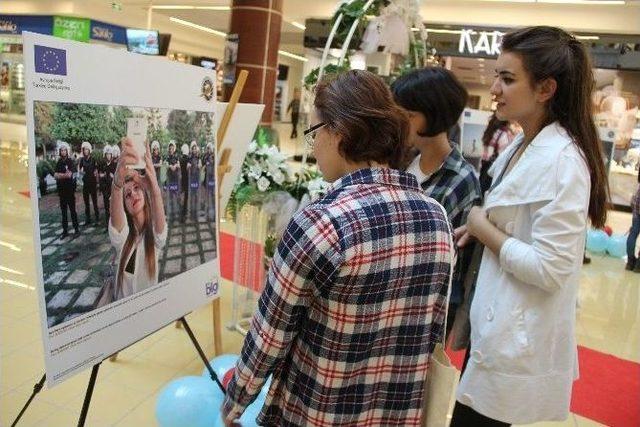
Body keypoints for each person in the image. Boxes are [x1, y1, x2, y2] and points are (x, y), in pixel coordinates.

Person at [222, 70, 454, 427]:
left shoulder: (321, 224)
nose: (311, 145)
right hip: (396, 414)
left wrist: (234, 404)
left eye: (314, 133)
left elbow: (269, 337)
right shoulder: (436, 216)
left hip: (318, 411)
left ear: (340, 132)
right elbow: (431, 330)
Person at [451, 26, 610, 426]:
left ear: (545, 89)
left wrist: (483, 227)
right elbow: (513, 219)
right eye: (496, 77)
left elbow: (550, 268)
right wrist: (481, 228)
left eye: (507, 79)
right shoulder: (520, 145)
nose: (494, 89)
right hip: (494, 325)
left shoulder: (562, 161)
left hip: (514, 333)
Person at [391, 67, 482, 336]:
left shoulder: (461, 178)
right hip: (388, 291)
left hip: (423, 308)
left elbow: (455, 258)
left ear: (434, 114)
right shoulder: (403, 159)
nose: (400, 122)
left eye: (408, 115)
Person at [103, 137, 167, 303]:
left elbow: (161, 232)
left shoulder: (153, 236)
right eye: (128, 195)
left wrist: (154, 188)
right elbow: (117, 228)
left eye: (137, 188)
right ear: (125, 206)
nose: (133, 195)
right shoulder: (124, 239)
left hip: (147, 313)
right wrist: (117, 185)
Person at [479, 114, 518, 194]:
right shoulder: (505, 134)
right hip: (495, 170)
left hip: (485, 166)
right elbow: (505, 157)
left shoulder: (491, 131)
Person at [54, 140, 79, 239]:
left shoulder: (70, 162)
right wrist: (63, 175)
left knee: (73, 211)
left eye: (65, 150)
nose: (63, 152)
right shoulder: (59, 162)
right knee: (63, 212)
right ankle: (65, 231)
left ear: (67, 151)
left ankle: (76, 229)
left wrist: (61, 175)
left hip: (69, 191)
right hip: (61, 192)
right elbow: (55, 175)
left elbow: (69, 175)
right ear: (59, 152)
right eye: (62, 150)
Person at [79, 141, 99, 225]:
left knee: (94, 202)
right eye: (84, 149)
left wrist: (97, 180)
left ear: (89, 150)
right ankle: (88, 219)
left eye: (87, 149)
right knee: (86, 202)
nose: (85, 151)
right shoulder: (82, 160)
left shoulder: (93, 159)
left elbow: (96, 170)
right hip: (85, 183)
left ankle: (97, 218)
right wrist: (81, 173)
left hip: (93, 183)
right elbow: (80, 170)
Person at [98, 145, 116, 228]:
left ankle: (114, 223)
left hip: (112, 189)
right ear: (105, 155)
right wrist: (102, 175)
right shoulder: (102, 164)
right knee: (106, 207)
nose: (108, 156)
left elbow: (118, 177)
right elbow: (100, 174)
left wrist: (114, 176)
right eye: (107, 154)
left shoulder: (114, 165)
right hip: (105, 188)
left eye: (110, 154)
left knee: (113, 207)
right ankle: (108, 224)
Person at [626, 167, 640, 272]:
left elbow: (633, 200)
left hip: (637, 208)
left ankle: (630, 262)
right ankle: (638, 265)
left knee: (633, 234)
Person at [165, 140, 181, 220]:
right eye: (170, 148)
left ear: (174, 149)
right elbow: (167, 165)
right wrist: (171, 166)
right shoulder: (168, 157)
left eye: (172, 148)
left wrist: (175, 166)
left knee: (176, 195)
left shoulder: (176, 156)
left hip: (176, 179)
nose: (171, 149)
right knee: (171, 196)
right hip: (170, 179)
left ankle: (176, 212)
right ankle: (171, 213)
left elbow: (179, 164)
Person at [187, 141, 201, 221]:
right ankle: (192, 214)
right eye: (193, 149)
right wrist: (188, 166)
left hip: (197, 178)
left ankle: (196, 214)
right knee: (192, 196)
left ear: (197, 150)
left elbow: (200, 165)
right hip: (191, 179)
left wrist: (199, 165)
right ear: (191, 150)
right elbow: (187, 166)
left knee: (196, 196)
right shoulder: (189, 158)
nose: (194, 150)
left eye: (195, 149)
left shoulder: (198, 157)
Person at [202, 142, 216, 221]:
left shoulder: (214, 157)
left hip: (212, 179)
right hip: (206, 178)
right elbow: (203, 167)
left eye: (209, 148)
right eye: (207, 148)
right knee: (207, 196)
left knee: (212, 195)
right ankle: (207, 214)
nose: (208, 150)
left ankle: (212, 214)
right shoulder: (205, 156)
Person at [180, 143, 189, 222]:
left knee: (183, 196)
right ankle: (184, 213)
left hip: (182, 179)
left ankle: (182, 213)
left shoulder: (180, 159)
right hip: (188, 180)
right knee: (186, 197)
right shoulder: (188, 159)